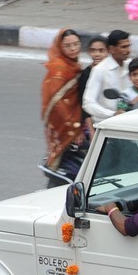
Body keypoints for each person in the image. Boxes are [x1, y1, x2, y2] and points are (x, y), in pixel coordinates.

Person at [42, 28, 84, 173]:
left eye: (76, 44)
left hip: (76, 116)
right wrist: (73, 126)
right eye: (67, 46)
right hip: (63, 121)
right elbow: (56, 100)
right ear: (60, 47)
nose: (73, 49)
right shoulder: (59, 68)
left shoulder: (74, 64)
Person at [82, 29, 132, 124]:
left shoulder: (130, 66)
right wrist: (112, 114)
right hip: (107, 124)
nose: (128, 50)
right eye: (124, 47)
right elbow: (88, 103)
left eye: (129, 46)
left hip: (127, 121)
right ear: (112, 49)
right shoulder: (100, 70)